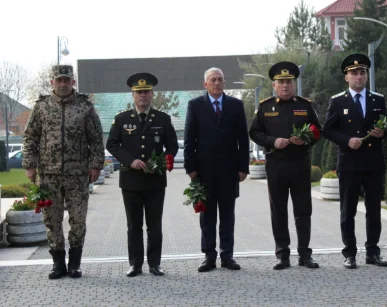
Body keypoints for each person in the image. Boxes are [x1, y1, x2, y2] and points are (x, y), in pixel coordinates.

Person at [22, 64, 104, 280]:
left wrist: (96, 165)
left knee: (78, 220)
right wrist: (30, 164)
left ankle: (75, 264)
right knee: (52, 220)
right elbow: (30, 137)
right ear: (52, 82)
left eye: (67, 80)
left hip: (77, 176)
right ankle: (58, 263)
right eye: (59, 80)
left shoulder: (85, 107)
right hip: (49, 175)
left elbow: (96, 139)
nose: (63, 83)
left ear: (73, 82)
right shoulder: (42, 107)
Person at [249, 61, 321, 270]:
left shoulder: (304, 105)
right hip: (276, 165)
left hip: (299, 164)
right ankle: (282, 254)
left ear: (294, 84)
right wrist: (273, 141)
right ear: (274, 85)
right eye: (281, 82)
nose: (285, 85)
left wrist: (305, 140)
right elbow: (254, 132)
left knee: (303, 210)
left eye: (289, 81)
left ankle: (305, 254)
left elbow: (318, 130)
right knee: (278, 210)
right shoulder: (265, 106)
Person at [106, 73, 178, 277]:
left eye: (146, 92)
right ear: (133, 95)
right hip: (131, 181)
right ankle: (135, 264)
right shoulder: (122, 119)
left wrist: (159, 162)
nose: (143, 96)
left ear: (152, 94)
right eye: (139, 92)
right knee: (134, 225)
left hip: (155, 180)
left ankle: (155, 263)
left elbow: (172, 146)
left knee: (154, 225)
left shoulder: (163, 119)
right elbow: (111, 144)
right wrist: (131, 160)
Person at [322, 53, 387, 270]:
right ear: (347, 78)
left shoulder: (377, 99)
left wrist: (382, 132)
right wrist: (346, 140)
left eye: (362, 73)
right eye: (354, 73)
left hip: (372, 162)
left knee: (374, 210)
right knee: (348, 210)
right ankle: (349, 253)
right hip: (349, 162)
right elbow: (328, 130)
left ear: (366, 76)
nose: (359, 77)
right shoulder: (337, 101)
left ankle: (373, 252)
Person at [184, 67, 249, 272]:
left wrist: (243, 167)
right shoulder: (195, 105)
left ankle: (227, 256)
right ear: (206, 84)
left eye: (220, 79)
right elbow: (188, 139)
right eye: (213, 80)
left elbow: (243, 139)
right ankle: (209, 257)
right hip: (204, 172)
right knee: (208, 217)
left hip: (230, 171)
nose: (217, 83)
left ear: (224, 82)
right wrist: (191, 168)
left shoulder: (235, 105)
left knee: (228, 216)